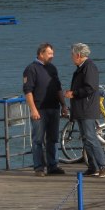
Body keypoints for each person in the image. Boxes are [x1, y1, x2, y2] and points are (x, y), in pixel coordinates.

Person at [23, 43, 68, 176]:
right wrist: (33, 110)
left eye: (52, 53)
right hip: (39, 110)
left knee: (53, 138)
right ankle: (39, 167)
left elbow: (58, 88)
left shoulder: (52, 69)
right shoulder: (31, 69)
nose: (52, 56)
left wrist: (64, 105)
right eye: (49, 53)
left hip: (54, 108)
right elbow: (28, 91)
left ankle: (53, 165)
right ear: (41, 54)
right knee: (38, 139)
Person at [64, 43, 105, 178]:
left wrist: (74, 93)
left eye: (72, 55)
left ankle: (103, 165)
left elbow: (90, 88)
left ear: (78, 55)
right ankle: (93, 166)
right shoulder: (81, 68)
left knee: (90, 137)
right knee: (85, 138)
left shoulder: (89, 67)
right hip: (81, 108)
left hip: (87, 108)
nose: (71, 58)